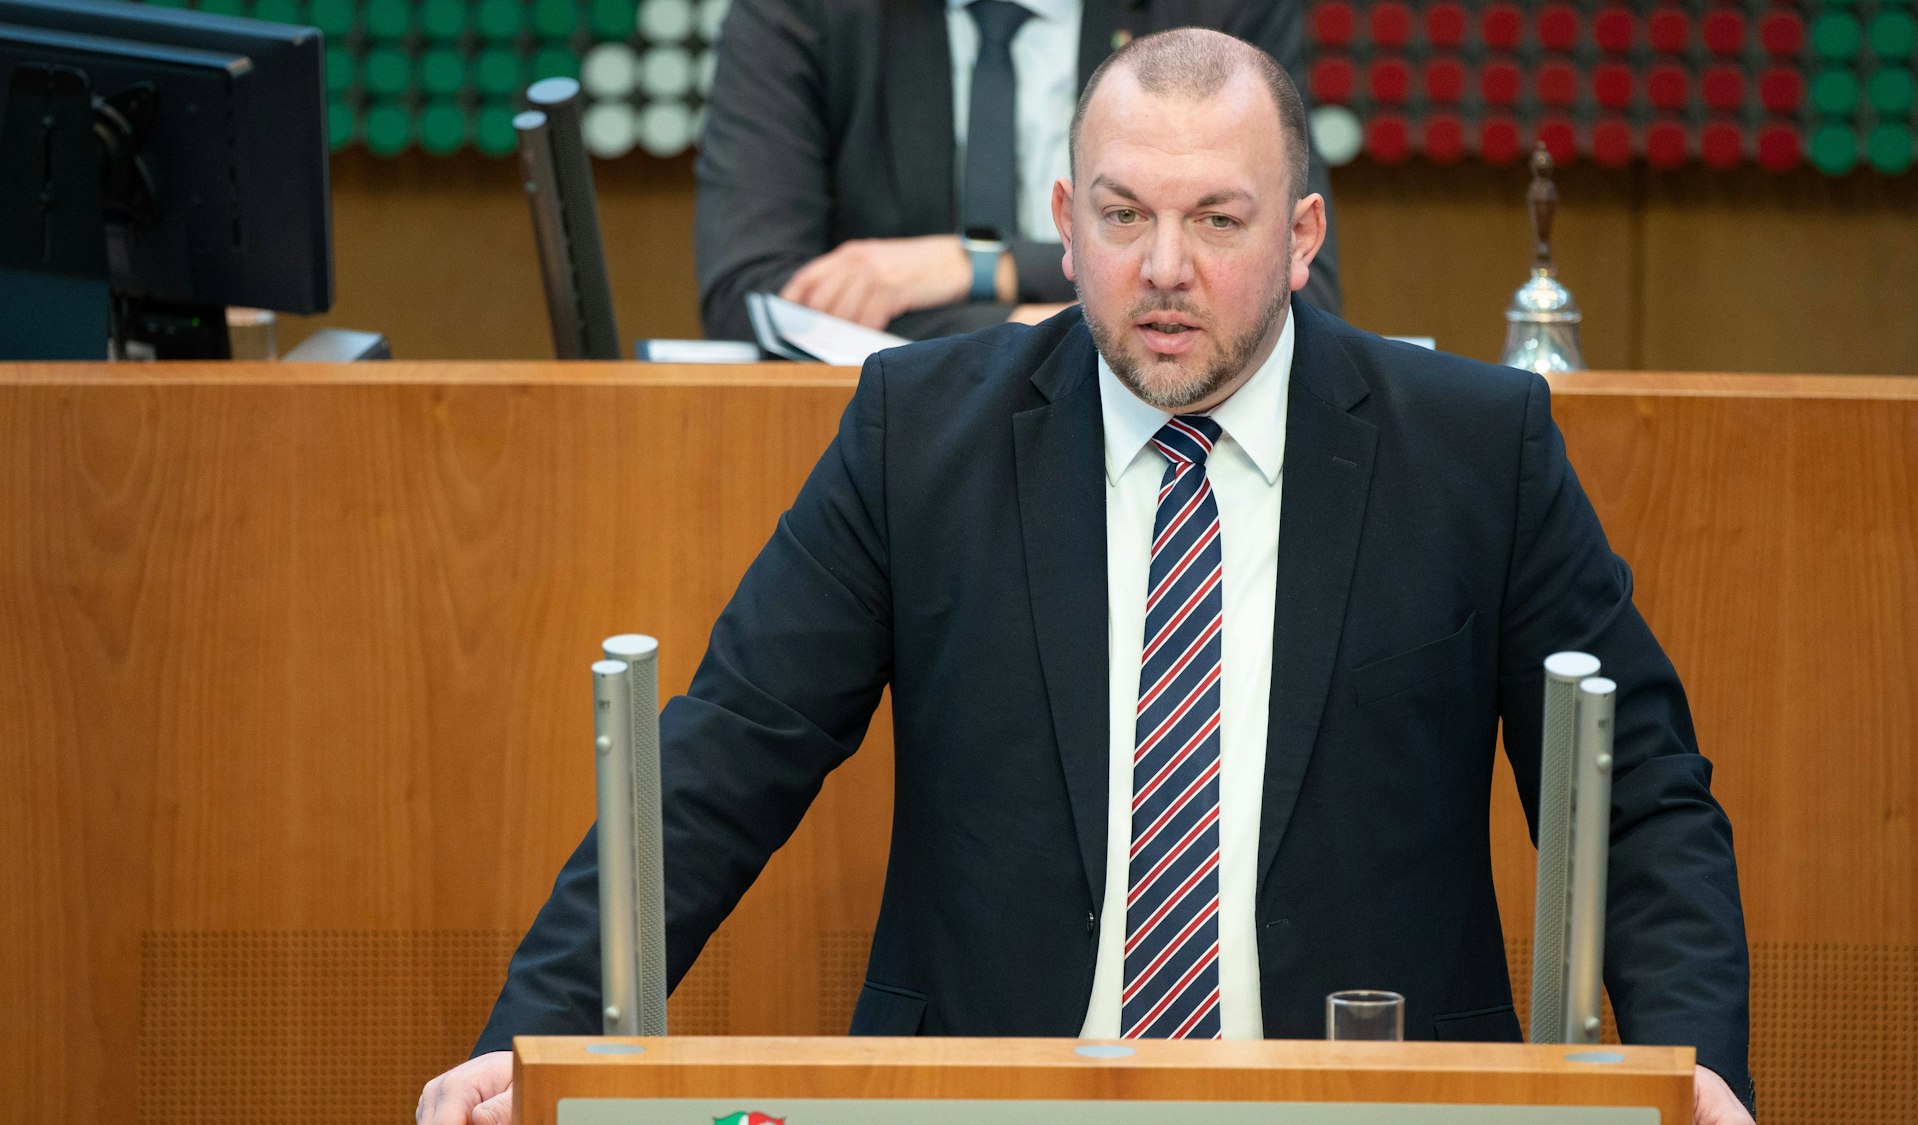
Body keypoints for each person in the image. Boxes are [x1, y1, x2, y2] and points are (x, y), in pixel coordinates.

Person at [420, 30, 1753, 1125]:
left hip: (1371, 1098)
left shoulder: (1474, 450)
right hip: (990, 1098)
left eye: (1216, 220)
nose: (1164, 268)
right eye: (1125, 215)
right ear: (1067, 223)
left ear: (1300, 237)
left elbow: (1638, 797)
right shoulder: (915, 437)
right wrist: (525, 1046)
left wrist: (1696, 1071)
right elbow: (720, 761)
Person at [695, 0, 1342, 342]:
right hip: (891, 446)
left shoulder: (1219, 9)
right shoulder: (802, 10)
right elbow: (753, 296)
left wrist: (976, 263)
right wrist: (1042, 333)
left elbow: (1292, 291)